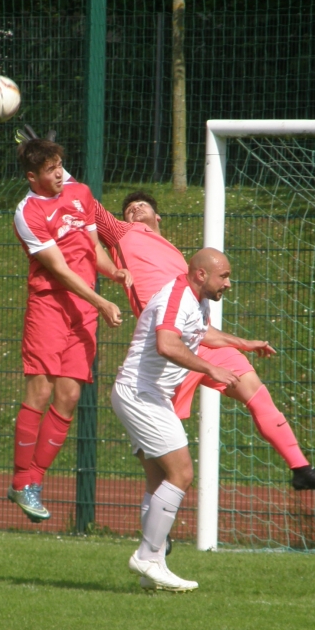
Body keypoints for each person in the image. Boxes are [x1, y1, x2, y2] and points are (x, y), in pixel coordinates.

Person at [95, 190, 315, 494]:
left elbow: (197, 325)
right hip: (167, 355)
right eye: (129, 208)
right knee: (161, 461)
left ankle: (300, 468)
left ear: (158, 217)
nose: (135, 210)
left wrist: (242, 342)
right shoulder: (122, 232)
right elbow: (82, 201)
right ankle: (157, 534)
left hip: (202, 339)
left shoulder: (177, 256)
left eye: (142, 205)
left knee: (255, 391)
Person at [8, 137, 132, 523]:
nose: (59, 173)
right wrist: (102, 301)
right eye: (49, 170)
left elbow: (90, 247)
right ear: (32, 177)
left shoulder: (81, 193)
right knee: (41, 389)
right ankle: (20, 481)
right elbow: (59, 268)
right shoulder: (27, 213)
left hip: (83, 308)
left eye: (60, 165)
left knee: (69, 394)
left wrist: (113, 272)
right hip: (50, 305)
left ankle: (34, 482)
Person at [111, 249, 250, 592]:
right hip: (141, 395)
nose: (229, 283)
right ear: (201, 275)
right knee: (182, 473)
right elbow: (167, 344)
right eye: (224, 276)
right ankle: (146, 556)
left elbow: (201, 335)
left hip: (146, 395)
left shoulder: (197, 300)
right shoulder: (176, 296)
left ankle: (152, 568)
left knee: (159, 480)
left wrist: (243, 343)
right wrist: (211, 367)